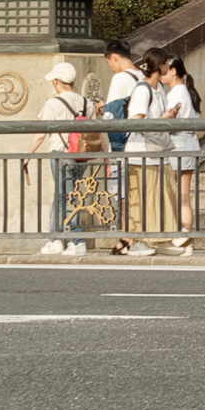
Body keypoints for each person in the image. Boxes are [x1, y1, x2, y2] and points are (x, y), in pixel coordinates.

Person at [30, 62, 93, 256]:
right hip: (81, 156)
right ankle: (56, 238)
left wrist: (29, 154)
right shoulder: (86, 103)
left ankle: (76, 239)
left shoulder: (53, 103)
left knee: (65, 197)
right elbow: (94, 132)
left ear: (57, 82)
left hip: (59, 154)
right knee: (66, 195)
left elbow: (41, 133)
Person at [103, 40, 158, 256]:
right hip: (144, 145)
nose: (111, 68)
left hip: (124, 146)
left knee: (124, 196)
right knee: (136, 194)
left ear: (115, 58)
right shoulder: (142, 78)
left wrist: (110, 154)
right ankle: (129, 239)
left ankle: (129, 239)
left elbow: (111, 118)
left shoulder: (120, 79)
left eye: (110, 63)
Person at [155, 56, 202, 254]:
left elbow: (168, 119)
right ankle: (185, 236)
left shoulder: (176, 93)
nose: (161, 75)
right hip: (189, 141)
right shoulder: (185, 91)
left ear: (173, 71)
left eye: (164, 71)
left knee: (176, 194)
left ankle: (181, 234)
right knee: (183, 194)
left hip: (177, 142)